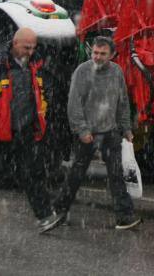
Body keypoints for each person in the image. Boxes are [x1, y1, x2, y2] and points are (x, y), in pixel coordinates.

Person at [0, 27, 63, 234]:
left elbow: (43, 94)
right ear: (15, 43)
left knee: (34, 173)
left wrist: (40, 119)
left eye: (33, 47)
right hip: (2, 131)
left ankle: (45, 216)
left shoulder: (36, 65)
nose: (30, 51)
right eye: (26, 47)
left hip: (27, 129)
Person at [55, 35, 141, 230]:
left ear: (112, 55)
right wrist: (82, 130)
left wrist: (126, 128)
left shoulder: (117, 72)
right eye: (95, 52)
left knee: (117, 175)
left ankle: (124, 217)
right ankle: (58, 210)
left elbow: (123, 102)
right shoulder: (82, 72)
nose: (98, 57)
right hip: (88, 133)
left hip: (111, 132)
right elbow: (74, 104)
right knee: (76, 174)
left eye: (103, 53)